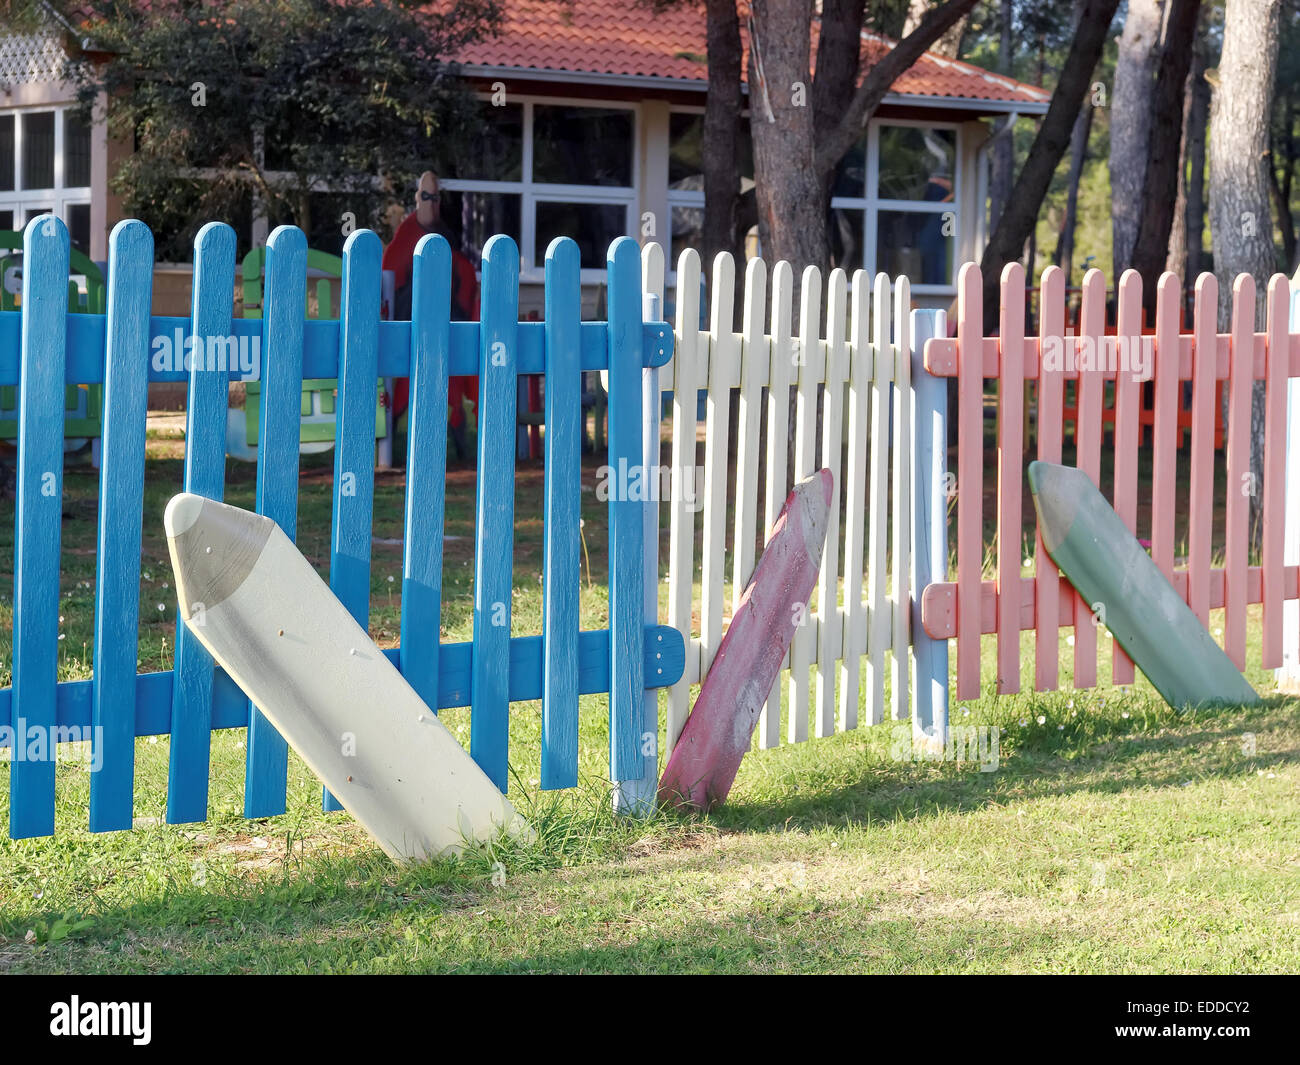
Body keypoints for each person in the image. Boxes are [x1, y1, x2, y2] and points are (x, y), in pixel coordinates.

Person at [382, 170, 479, 460]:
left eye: (435, 198)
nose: (431, 203)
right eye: (426, 197)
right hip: (408, 336)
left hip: (447, 337)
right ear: (417, 199)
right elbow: (391, 282)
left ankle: (455, 443)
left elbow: (465, 292)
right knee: (404, 391)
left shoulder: (454, 255)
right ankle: (397, 444)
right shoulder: (405, 241)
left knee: (448, 389)